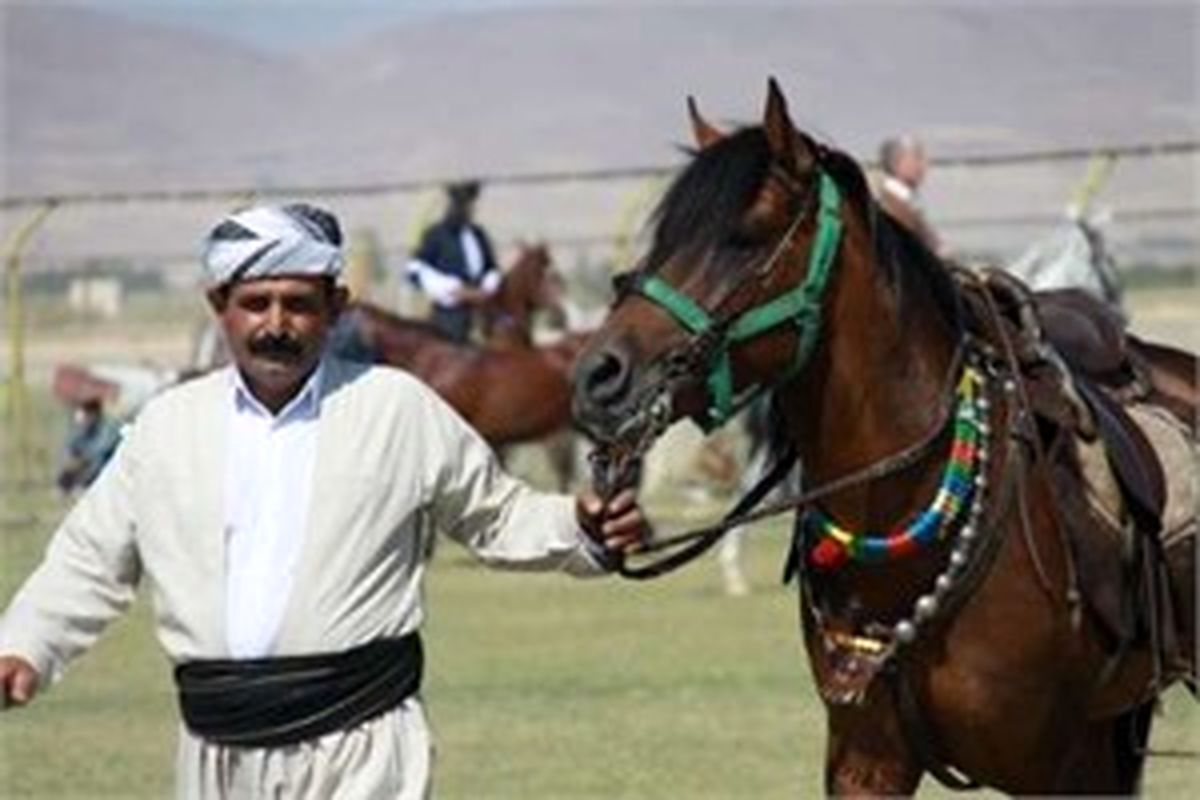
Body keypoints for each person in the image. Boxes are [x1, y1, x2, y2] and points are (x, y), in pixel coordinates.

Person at [0, 202, 646, 799]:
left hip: (362, 746)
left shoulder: (396, 407)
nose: (276, 324)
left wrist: (581, 528)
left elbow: (496, 514)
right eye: (255, 303)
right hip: (216, 755)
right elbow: (89, 559)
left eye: (298, 304)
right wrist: (25, 645)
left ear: (336, 307)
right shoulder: (169, 426)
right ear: (219, 305)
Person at [406, 180, 500, 342]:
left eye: (471, 205)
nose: (470, 210)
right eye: (465, 205)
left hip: (482, 313)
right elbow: (416, 270)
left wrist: (485, 289)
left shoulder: (478, 234)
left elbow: (491, 268)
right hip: (449, 316)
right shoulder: (436, 234)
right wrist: (454, 289)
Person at [876, 134, 945, 256]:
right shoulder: (890, 206)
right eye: (918, 158)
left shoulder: (900, 202)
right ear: (897, 162)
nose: (924, 166)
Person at [56, 396, 122, 495]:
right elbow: (70, 447)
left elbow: (102, 450)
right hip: (85, 465)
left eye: (85, 415)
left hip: (104, 467)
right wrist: (71, 459)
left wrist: (83, 460)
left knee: (97, 461)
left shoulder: (107, 428)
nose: (82, 419)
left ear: (94, 415)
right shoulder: (80, 429)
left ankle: (85, 485)